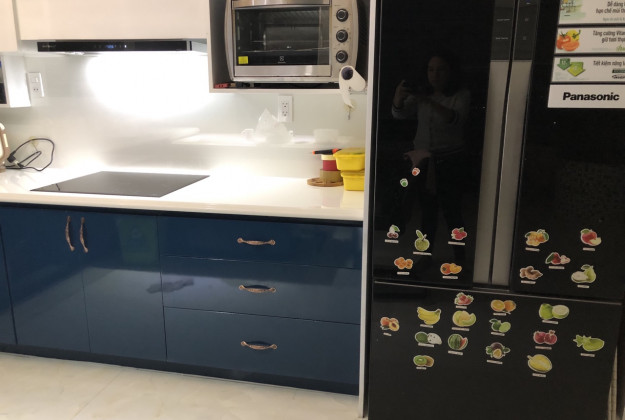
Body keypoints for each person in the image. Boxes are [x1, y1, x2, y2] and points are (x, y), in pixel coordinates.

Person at [391, 51, 471, 267]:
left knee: (453, 213)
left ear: (450, 72)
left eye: (441, 70)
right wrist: (398, 96)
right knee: (427, 214)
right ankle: (425, 257)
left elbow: (455, 120)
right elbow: (399, 114)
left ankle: (460, 259)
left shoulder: (461, 94)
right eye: (431, 69)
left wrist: (428, 100)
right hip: (424, 162)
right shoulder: (421, 94)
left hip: (452, 161)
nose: (435, 75)